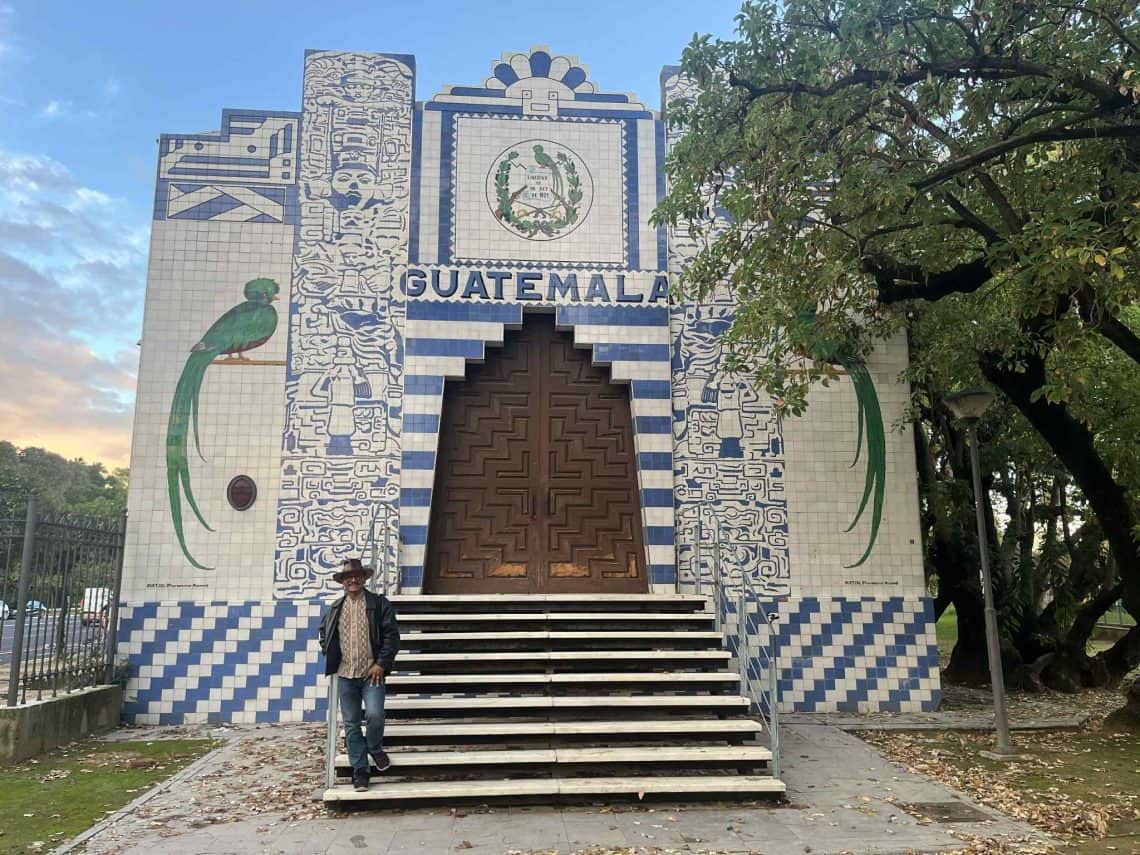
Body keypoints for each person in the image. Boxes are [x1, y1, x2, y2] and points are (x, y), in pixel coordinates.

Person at [318, 558, 400, 792]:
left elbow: (392, 637)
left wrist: (381, 664)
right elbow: (324, 633)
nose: (352, 580)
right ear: (342, 582)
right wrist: (329, 651)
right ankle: (360, 770)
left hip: (371, 674)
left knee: (375, 715)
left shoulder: (379, 604)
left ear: (364, 579)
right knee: (352, 724)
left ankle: (374, 747)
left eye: (357, 576)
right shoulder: (335, 608)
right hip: (345, 675)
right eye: (347, 577)